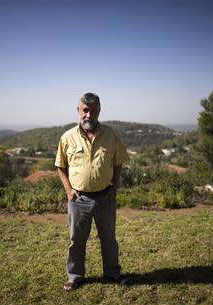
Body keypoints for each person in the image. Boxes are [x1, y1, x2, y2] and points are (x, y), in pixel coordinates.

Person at [55, 92, 129, 291]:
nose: (88, 114)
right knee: (76, 241)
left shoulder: (110, 135)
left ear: (99, 111)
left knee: (109, 239)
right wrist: (69, 190)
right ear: (78, 111)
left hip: (105, 197)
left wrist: (114, 188)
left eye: (93, 110)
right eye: (85, 110)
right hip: (78, 199)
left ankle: (113, 274)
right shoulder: (67, 137)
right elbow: (60, 166)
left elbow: (118, 163)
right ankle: (75, 276)